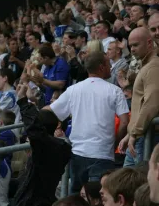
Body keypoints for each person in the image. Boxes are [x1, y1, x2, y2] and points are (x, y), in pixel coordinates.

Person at [49, 52, 129, 193]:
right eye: (108, 64)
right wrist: (114, 144)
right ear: (101, 66)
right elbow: (124, 122)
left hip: (77, 154)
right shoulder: (115, 91)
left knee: (77, 202)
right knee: (99, 199)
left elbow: (51, 112)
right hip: (103, 154)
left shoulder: (73, 89)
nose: (111, 67)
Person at [7, 83, 71, 206]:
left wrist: (23, 101)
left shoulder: (48, 147)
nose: (28, 133)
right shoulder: (58, 147)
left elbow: (36, 131)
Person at [121, 28, 159, 166]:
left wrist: (135, 133)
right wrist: (130, 134)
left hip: (144, 138)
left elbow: (152, 103)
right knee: (127, 184)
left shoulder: (153, 67)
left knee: (135, 185)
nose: (132, 49)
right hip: (139, 137)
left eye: (136, 45)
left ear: (149, 43)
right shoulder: (148, 66)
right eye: (130, 46)